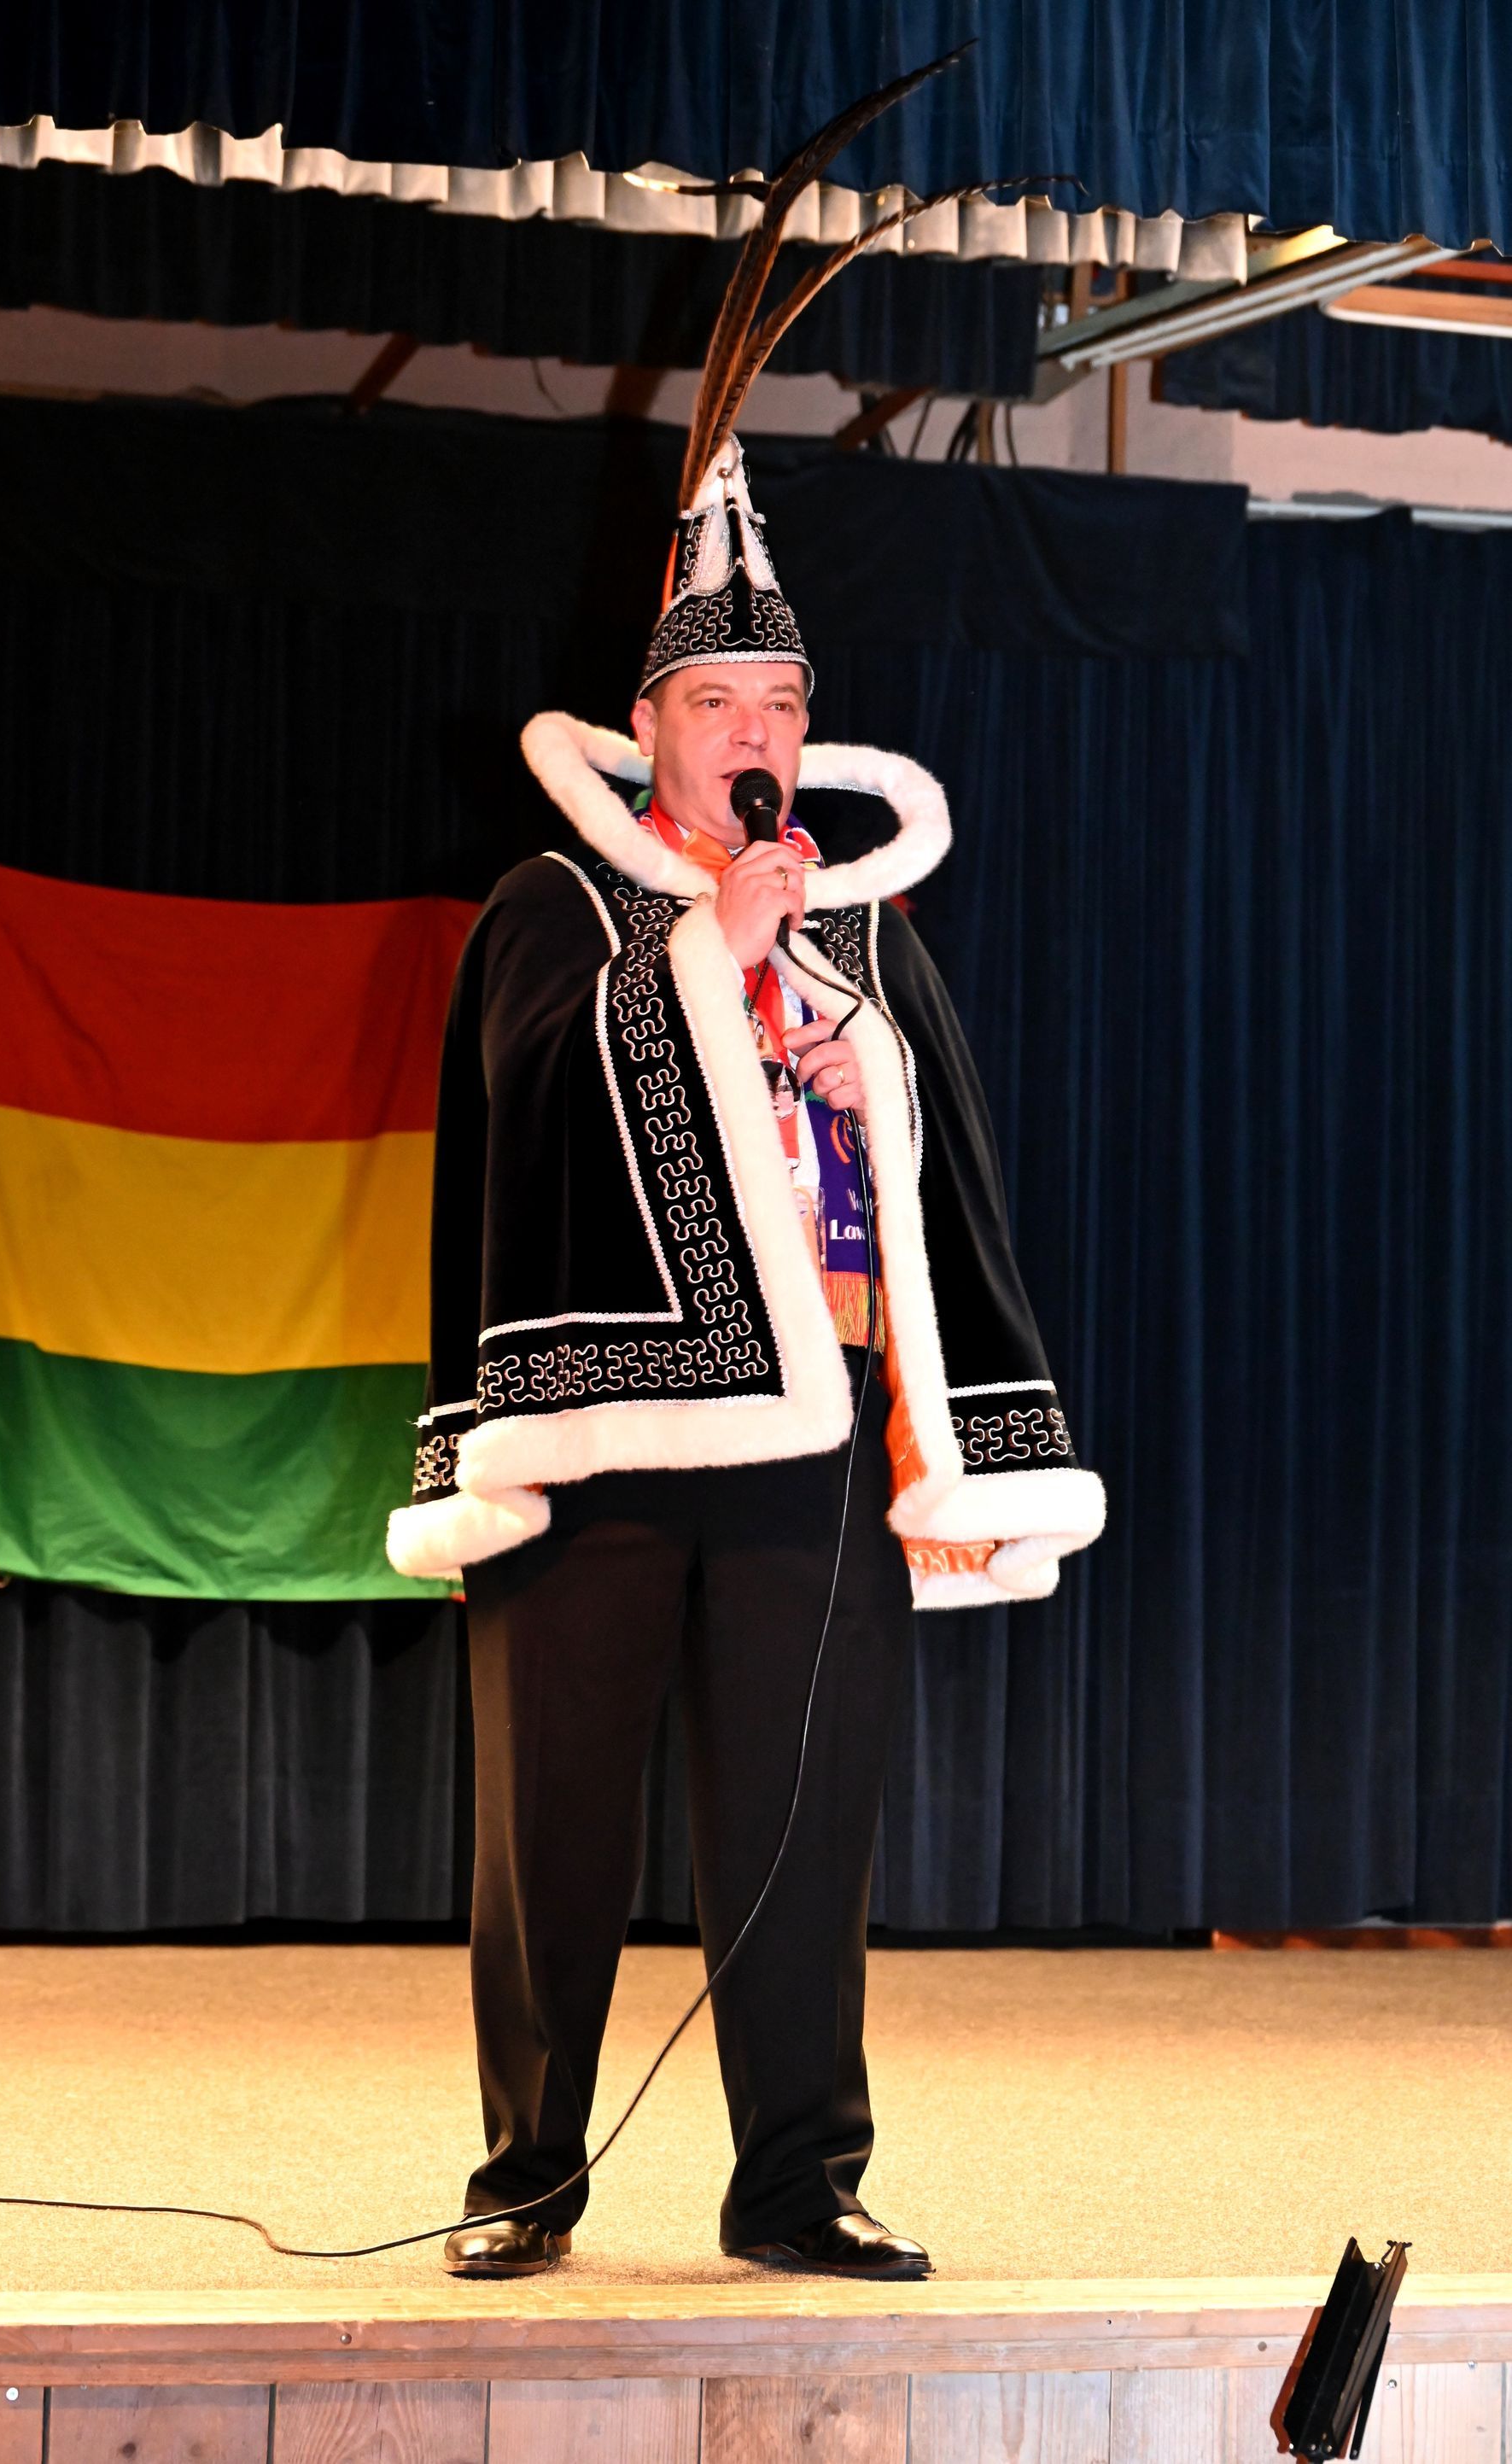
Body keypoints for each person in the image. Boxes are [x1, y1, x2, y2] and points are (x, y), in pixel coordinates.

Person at [386, 438, 1106, 2280]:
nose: (756, 729)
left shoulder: (861, 933)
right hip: (607, 1433)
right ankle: (525, 2172)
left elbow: (950, 1165)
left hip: (816, 1433)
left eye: (782, 700)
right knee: (554, 1822)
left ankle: (797, 2181)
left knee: (805, 1818)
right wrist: (710, 949)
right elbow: (533, 1097)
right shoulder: (561, 907)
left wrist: (871, 1079)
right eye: (718, 701)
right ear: (649, 730)